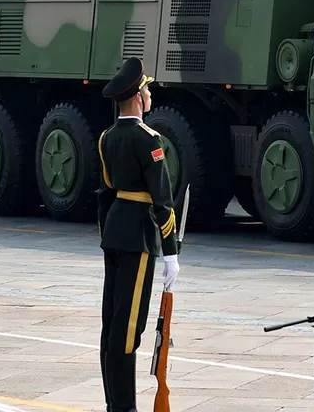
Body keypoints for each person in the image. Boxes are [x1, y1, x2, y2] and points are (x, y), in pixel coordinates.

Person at [97, 57, 180, 412]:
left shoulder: (107, 138)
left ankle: (114, 403)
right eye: (147, 90)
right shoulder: (150, 139)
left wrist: (108, 232)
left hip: (114, 233)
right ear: (137, 98)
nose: (150, 96)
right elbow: (162, 199)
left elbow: (106, 192)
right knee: (129, 329)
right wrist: (171, 250)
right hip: (138, 238)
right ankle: (125, 408)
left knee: (111, 324)